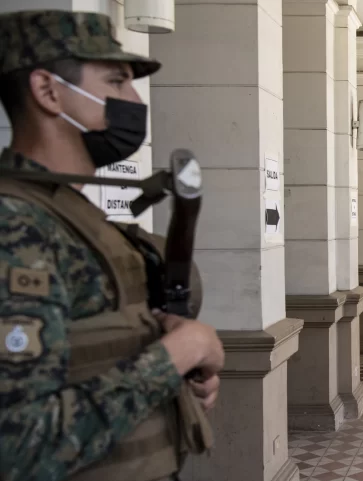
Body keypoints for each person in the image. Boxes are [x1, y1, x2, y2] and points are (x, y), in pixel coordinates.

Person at [0, 10, 224, 481]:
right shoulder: (15, 225)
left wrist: (172, 381)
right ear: (48, 91)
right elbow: (17, 445)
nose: (134, 99)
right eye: (117, 81)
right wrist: (177, 355)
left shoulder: (73, 215)